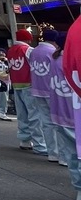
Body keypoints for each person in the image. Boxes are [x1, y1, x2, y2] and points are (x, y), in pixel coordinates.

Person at [46, 32, 81, 200]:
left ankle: (79, 189)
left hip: (59, 113)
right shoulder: (72, 60)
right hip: (74, 112)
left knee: (72, 155)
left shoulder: (55, 59)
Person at [7, 28, 47, 154]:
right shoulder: (28, 50)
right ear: (28, 39)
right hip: (29, 85)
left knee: (22, 115)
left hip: (16, 85)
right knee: (35, 116)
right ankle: (40, 144)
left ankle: (24, 140)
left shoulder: (10, 50)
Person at [28, 29, 60, 162]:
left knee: (46, 122)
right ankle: (60, 153)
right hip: (51, 90)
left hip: (37, 89)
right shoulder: (52, 52)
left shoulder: (34, 51)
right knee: (58, 123)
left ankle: (52, 152)